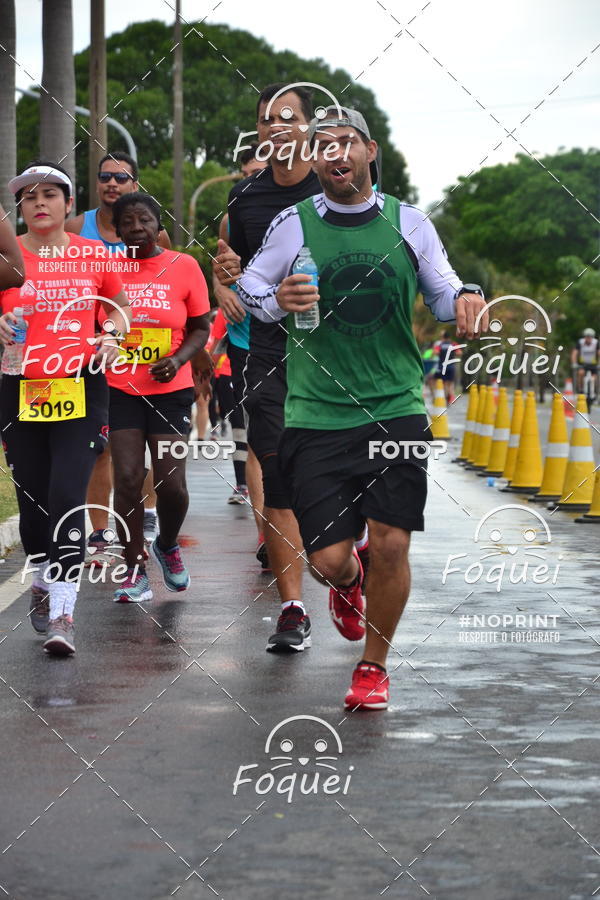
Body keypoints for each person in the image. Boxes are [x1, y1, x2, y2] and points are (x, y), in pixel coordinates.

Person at [238, 107, 488, 707]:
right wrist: (277, 296)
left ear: (369, 150)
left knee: (394, 542)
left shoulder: (410, 223)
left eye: (346, 142)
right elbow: (248, 290)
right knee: (326, 559)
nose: (335, 154)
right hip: (317, 411)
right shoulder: (291, 225)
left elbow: (444, 290)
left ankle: (373, 667)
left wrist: (470, 297)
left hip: (395, 404)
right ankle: (349, 580)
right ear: (314, 158)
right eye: (323, 145)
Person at [0, 161, 131, 655]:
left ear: (68, 204)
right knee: (34, 507)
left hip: (80, 385)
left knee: (66, 494)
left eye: (49, 194)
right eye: (29, 196)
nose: (38, 203)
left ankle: (63, 613)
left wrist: (113, 337)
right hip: (20, 387)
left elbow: (119, 309)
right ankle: (42, 577)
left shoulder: (93, 253)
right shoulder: (7, 258)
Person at [213, 83, 323, 649]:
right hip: (269, 349)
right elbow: (226, 257)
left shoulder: (333, 187)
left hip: (333, 354)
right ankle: (293, 608)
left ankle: (344, 561)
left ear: (308, 126)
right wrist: (224, 278)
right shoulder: (247, 194)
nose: (275, 127)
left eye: (287, 118)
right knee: (275, 468)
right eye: (265, 121)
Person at [65, 151, 171, 560]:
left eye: (121, 178)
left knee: (138, 444)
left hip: (142, 351)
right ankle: (98, 529)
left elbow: (166, 284)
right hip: (90, 349)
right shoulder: (78, 228)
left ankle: (146, 514)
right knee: (100, 444)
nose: (112, 184)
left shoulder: (152, 232)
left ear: (135, 186)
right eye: (105, 177)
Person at [106, 192, 210, 603]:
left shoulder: (183, 266)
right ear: (116, 228)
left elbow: (200, 327)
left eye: (144, 220)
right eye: (127, 222)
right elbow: (95, 318)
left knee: (171, 483)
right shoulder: (106, 267)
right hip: (119, 388)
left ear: (158, 224)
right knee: (128, 479)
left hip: (170, 390)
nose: (136, 228)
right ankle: (134, 568)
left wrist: (179, 357)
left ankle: (166, 544)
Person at [212, 144, 268, 546]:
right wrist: (221, 292)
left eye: (260, 171)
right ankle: (268, 534)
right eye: (248, 173)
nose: (254, 179)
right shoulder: (235, 215)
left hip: (298, 336)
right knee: (255, 433)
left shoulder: (303, 207)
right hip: (246, 339)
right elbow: (220, 267)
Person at [433, 330, 461, 403]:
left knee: (444, 383)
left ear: (444, 337)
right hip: (451, 366)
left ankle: (445, 397)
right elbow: (459, 352)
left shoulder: (440, 345)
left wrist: (441, 353)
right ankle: (450, 396)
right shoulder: (453, 344)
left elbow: (435, 352)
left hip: (442, 366)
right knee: (451, 383)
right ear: (449, 337)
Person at [571, 328, 598, 398]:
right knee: (580, 373)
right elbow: (574, 353)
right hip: (583, 364)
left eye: (590, 337)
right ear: (584, 337)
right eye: (587, 336)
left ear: (592, 337)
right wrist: (574, 363)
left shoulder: (596, 343)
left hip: (593, 364)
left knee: (595, 378)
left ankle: (595, 392)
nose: (588, 338)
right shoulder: (580, 342)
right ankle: (581, 389)